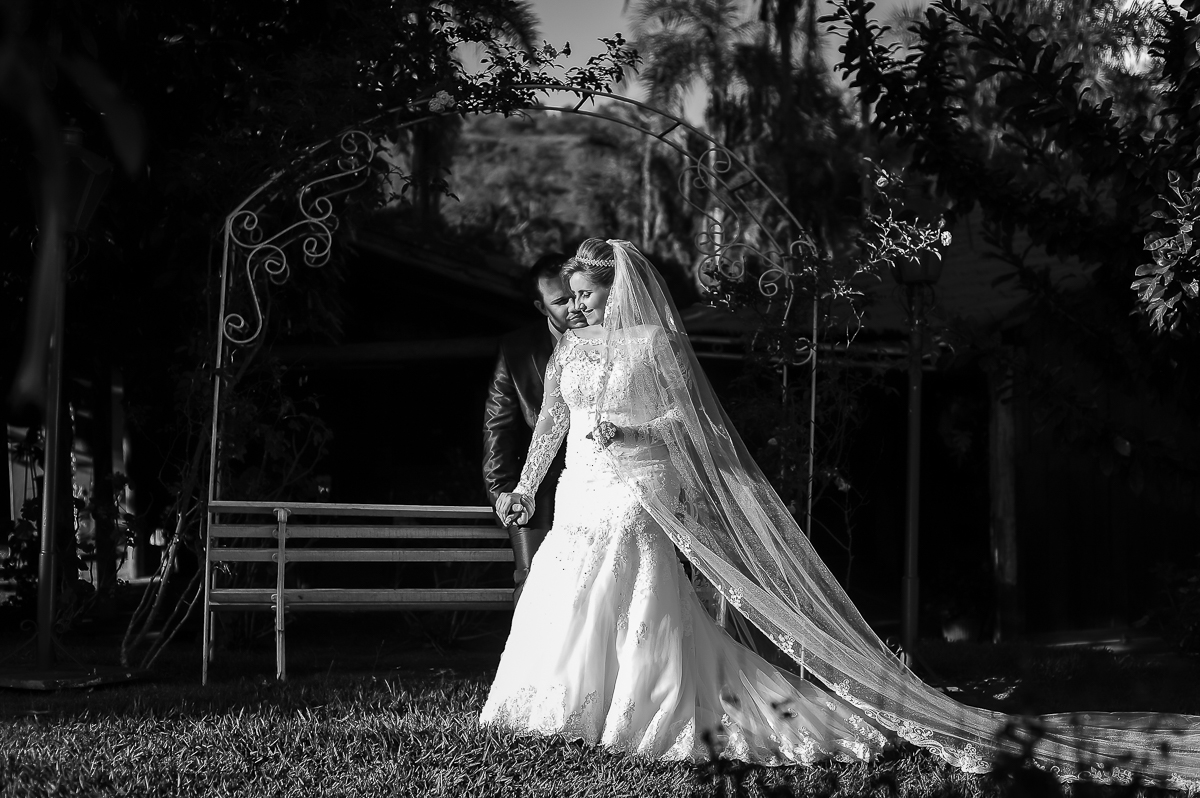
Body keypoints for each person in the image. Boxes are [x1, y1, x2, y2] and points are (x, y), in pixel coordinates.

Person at [480, 239, 1200, 785]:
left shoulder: (656, 343)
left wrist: (631, 429)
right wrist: (525, 488)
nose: (577, 307)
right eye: (573, 298)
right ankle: (557, 705)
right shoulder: (571, 351)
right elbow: (551, 427)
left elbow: (685, 420)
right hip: (579, 486)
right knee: (568, 586)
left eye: (588, 295)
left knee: (630, 591)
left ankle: (636, 709)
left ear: (621, 290)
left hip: (638, 484)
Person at [482, 252, 587, 603]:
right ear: (541, 307)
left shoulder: (618, 342)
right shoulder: (516, 350)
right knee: (534, 593)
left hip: (599, 488)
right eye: (560, 301)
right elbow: (498, 428)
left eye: (577, 294)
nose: (574, 306)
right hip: (534, 495)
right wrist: (504, 494)